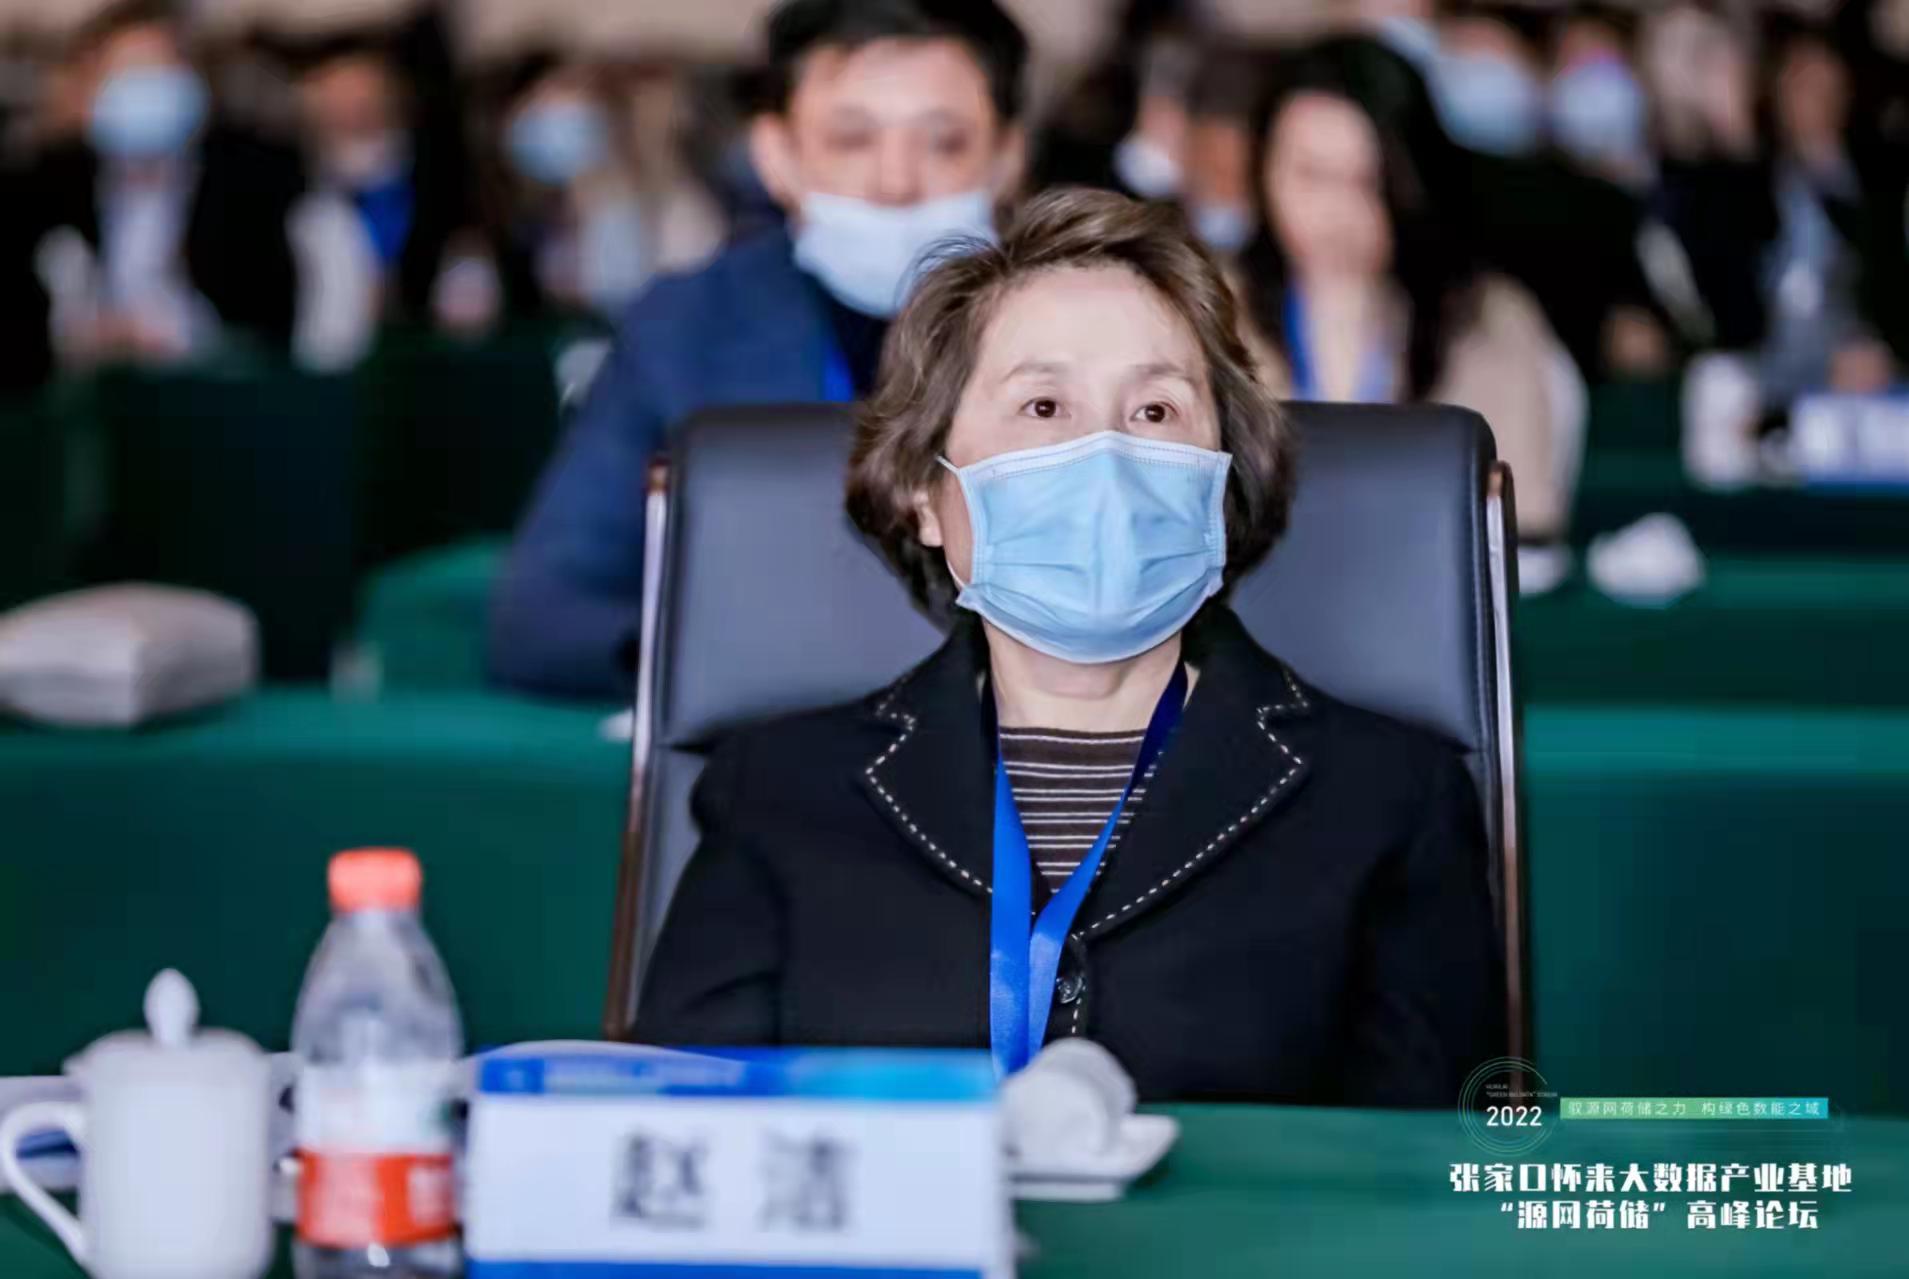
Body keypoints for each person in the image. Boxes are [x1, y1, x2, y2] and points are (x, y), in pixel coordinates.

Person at [634, 188, 1505, 1105]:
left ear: (1221, 480)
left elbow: (1425, 1164)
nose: (1106, 456)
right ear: (926, 492)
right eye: (1043, 405)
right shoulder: (779, 789)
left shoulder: (1387, 796)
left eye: (1156, 411)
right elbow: (687, 1136)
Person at [489, 0, 1030, 699]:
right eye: (852, 140)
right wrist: (713, 660)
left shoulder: (1091, 327)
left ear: (1007, 157)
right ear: (776, 155)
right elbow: (542, 612)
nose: (896, 183)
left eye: (943, 142)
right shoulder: (688, 326)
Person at [1236, 36, 1580, 554]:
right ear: (1262, 171)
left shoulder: (1487, 318)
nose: (1336, 211)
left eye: (1367, 181)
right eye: (1310, 175)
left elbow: (1525, 521)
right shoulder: (1210, 309)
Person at [24, 0, 306, 368]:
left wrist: (177, 332)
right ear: (90, 88)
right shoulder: (49, 184)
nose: (144, 86)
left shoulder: (257, 179)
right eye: (127, 72)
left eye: (158, 69)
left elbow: (274, 312)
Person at [492, 52, 723, 323]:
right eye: (537, 108)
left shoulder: (675, 215)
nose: (547, 126)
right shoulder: (549, 220)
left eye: (558, 110)